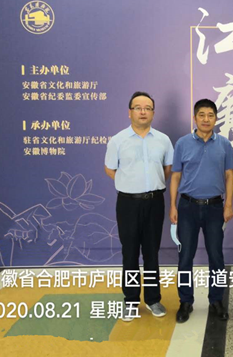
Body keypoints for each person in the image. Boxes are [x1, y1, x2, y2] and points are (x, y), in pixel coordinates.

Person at [104, 91, 173, 321]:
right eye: (138, 107)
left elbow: (167, 169)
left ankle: (153, 299)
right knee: (130, 253)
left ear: (153, 112)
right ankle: (131, 300)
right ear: (129, 112)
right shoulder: (118, 140)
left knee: (152, 252)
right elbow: (110, 169)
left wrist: (149, 186)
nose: (143, 112)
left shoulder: (163, 140)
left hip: (155, 202)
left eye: (147, 108)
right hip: (128, 203)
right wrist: (129, 184)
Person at [169, 99, 233, 323]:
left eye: (210, 115)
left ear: (216, 118)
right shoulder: (182, 143)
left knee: (216, 256)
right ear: (194, 118)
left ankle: (216, 300)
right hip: (187, 207)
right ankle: (185, 301)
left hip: (215, 207)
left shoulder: (224, 144)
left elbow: (229, 176)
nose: (206, 119)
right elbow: (176, 176)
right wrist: (173, 205)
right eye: (201, 115)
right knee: (185, 256)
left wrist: (228, 204)